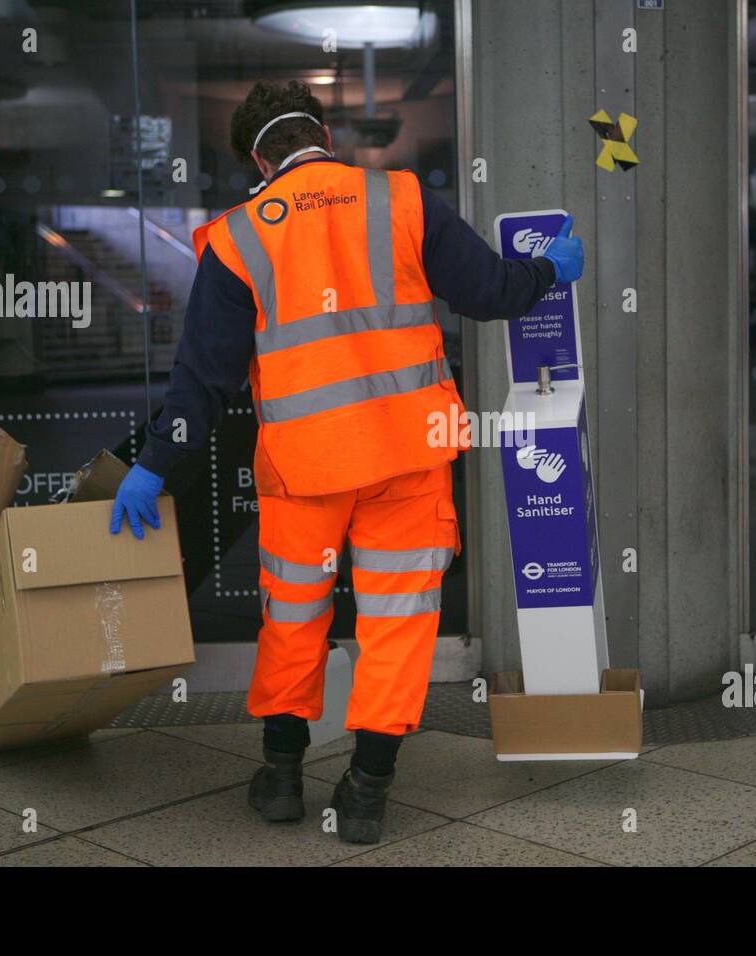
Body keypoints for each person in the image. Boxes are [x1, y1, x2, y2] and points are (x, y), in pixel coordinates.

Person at [108, 80, 583, 844]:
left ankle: (283, 778)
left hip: (305, 470)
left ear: (254, 159)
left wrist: (155, 466)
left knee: (294, 616)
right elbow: (489, 291)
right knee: (397, 619)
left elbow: (204, 381)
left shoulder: (240, 238)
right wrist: (548, 273)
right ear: (322, 133)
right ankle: (366, 792)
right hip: (408, 455)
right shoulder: (401, 199)